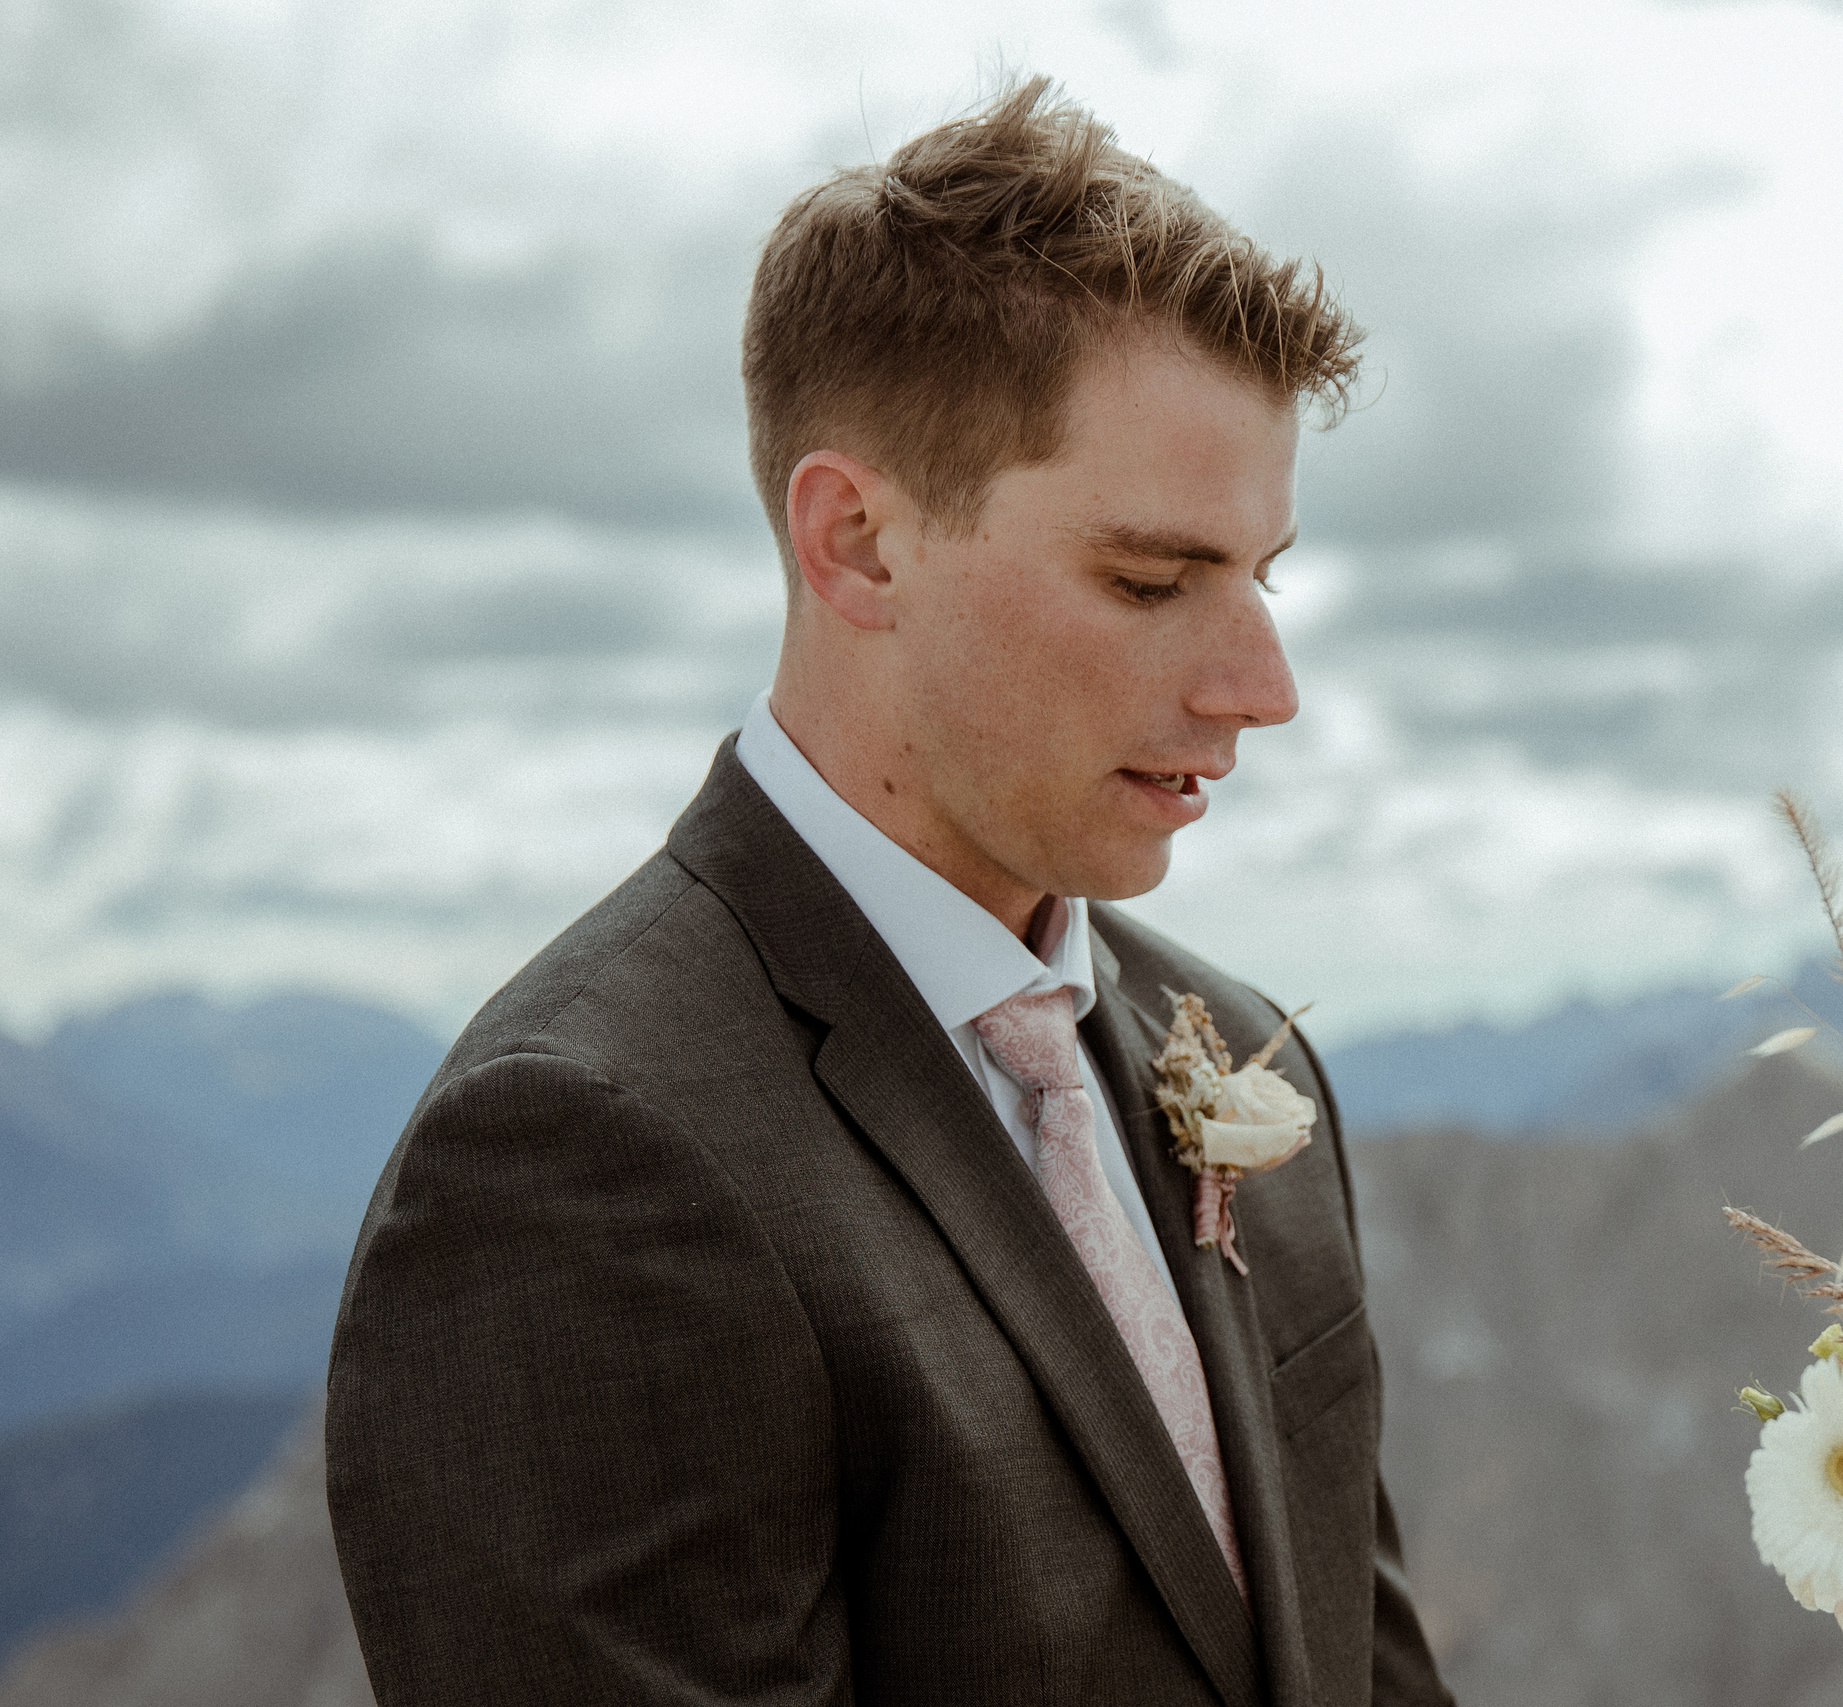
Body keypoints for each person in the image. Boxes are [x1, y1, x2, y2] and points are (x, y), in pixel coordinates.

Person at [324, 76, 1455, 1707]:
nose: (1263, 687)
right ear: (855, 541)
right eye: (1151, 579)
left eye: (1261, 577)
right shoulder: (579, 1155)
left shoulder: (1250, 1057)